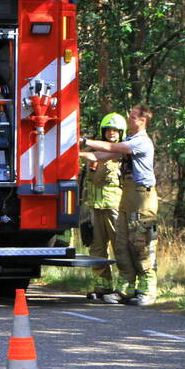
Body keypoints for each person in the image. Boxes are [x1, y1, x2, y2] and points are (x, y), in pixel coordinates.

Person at [80, 105, 158, 306]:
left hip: (142, 196)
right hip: (127, 196)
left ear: (142, 120)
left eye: (132, 117)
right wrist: (76, 151)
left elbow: (116, 149)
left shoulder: (141, 142)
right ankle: (126, 288)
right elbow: (99, 156)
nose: (129, 119)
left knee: (140, 243)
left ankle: (147, 289)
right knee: (122, 243)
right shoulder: (130, 141)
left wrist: (86, 140)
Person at [79, 112, 125, 299]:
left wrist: (81, 150)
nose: (111, 133)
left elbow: (99, 155)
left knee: (120, 247)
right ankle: (103, 286)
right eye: (108, 130)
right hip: (95, 208)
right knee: (97, 248)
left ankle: (125, 287)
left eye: (115, 130)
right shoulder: (95, 156)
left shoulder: (121, 153)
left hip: (114, 208)